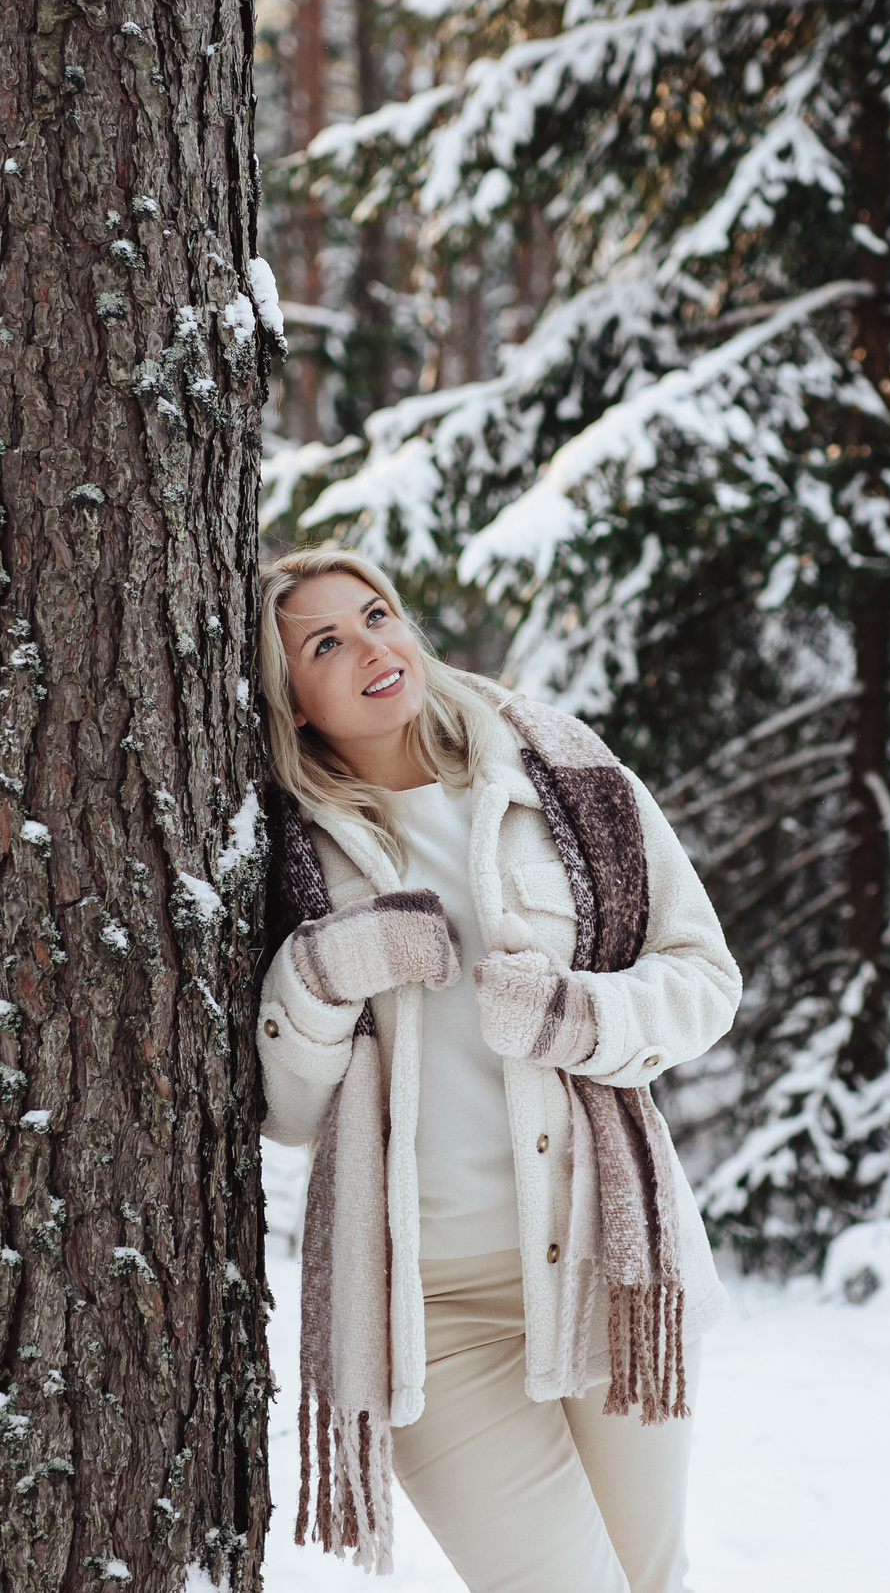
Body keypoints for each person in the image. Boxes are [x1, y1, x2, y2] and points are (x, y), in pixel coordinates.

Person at [253, 544, 740, 1593]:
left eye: (377, 614)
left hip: (611, 1268)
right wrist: (321, 977)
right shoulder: (286, 848)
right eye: (325, 643)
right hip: (431, 1312)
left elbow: (703, 976)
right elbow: (287, 1113)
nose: (373, 647)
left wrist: (581, 1014)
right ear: (290, 700)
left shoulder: (557, 771)